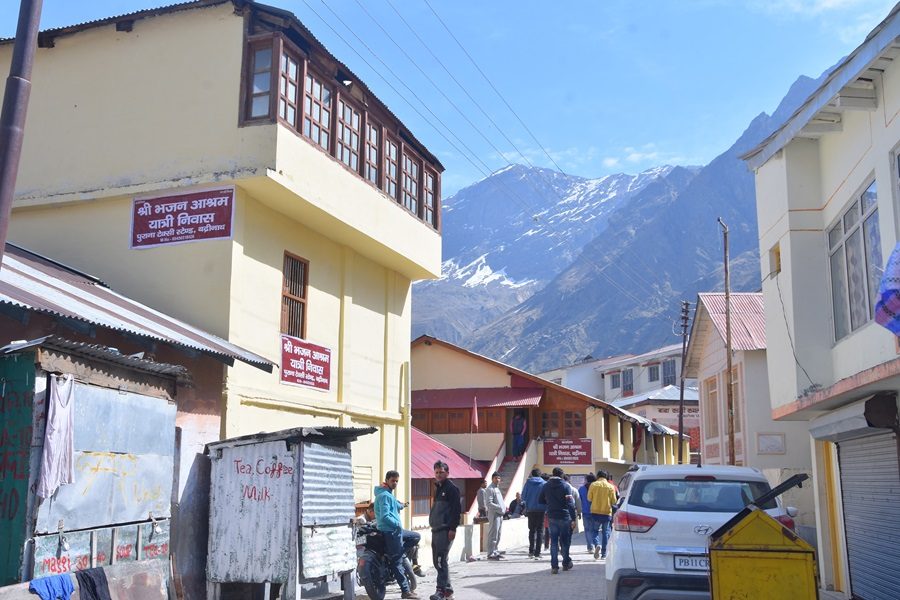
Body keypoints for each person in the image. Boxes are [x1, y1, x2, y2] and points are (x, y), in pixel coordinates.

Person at [373, 470, 418, 599]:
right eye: (393, 481)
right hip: (391, 531)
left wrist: (402, 505)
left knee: (415, 537)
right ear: (387, 480)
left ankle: (399, 553)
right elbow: (385, 515)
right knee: (397, 561)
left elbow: (395, 505)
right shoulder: (385, 496)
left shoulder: (387, 494)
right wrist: (397, 524)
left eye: (397, 481)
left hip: (395, 531)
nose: (395, 483)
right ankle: (405, 591)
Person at [429, 460, 461, 600]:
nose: (439, 474)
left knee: (441, 560)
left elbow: (456, 510)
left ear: (447, 473)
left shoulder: (451, 489)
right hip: (435, 530)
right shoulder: (438, 488)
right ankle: (448, 591)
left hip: (445, 530)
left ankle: (440, 591)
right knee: (437, 562)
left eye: (441, 472)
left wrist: (452, 528)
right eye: (436, 472)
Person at [539, 467, 576, 575]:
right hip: (564, 517)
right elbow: (570, 503)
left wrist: (550, 503)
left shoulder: (546, 486)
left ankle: (554, 567)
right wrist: (573, 518)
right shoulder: (565, 486)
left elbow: (540, 500)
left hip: (552, 517)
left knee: (554, 542)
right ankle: (565, 563)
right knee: (564, 541)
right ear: (562, 475)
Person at [588, 469, 618, 560]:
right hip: (606, 513)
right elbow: (614, 501)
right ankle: (604, 554)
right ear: (606, 477)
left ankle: (597, 544)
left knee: (594, 531)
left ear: (598, 476)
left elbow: (589, 498)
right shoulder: (610, 486)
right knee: (606, 532)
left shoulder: (593, 485)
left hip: (595, 512)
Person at [521, 468, 547, 559]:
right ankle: (537, 553)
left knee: (531, 531)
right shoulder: (544, 483)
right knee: (540, 531)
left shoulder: (528, 483)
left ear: (532, 474)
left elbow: (523, 496)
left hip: (530, 509)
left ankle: (531, 551)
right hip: (541, 509)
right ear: (540, 475)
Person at [486, 471, 505, 559]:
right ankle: (490, 553)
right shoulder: (490, 489)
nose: (497, 480)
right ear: (492, 479)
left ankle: (495, 550)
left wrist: (503, 508)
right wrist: (499, 508)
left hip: (500, 514)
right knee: (493, 534)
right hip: (494, 514)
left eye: (499, 478)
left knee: (498, 534)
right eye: (496, 478)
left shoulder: (497, 488)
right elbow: (489, 503)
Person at [578, 473, 597, 552]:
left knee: (587, 529)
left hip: (585, 512)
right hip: (596, 511)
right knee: (594, 529)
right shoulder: (596, 488)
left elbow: (579, 501)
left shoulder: (581, 489)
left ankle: (590, 547)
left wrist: (579, 511)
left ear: (586, 480)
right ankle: (596, 544)